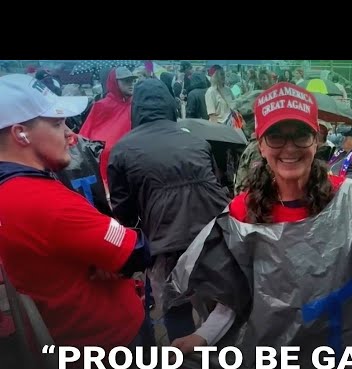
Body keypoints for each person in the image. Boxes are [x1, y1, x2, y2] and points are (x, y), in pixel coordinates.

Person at [167, 83, 352, 369]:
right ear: (260, 144)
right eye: (276, 137)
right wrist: (203, 337)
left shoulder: (350, 200)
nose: (289, 148)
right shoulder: (241, 213)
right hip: (274, 363)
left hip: (341, 354)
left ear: (317, 140)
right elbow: (234, 295)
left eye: (300, 135)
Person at [0, 74, 151, 350]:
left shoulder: (12, 192)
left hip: (65, 343)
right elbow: (137, 251)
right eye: (57, 124)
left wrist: (96, 256)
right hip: (110, 345)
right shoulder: (43, 201)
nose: (71, 134)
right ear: (20, 133)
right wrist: (108, 257)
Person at [108, 78, 230, 342]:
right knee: (220, 305)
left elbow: (124, 211)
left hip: (166, 245)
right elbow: (217, 184)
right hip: (213, 237)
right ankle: (222, 362)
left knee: (176, 308)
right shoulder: (198, 142)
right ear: (171, 106)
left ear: (136, 109)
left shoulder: (121, 150)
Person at [79, 67, 138, 189]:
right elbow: (84, 137)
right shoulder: (101, 106)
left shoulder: (136, 105)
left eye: (132, 81)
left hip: (131, 164)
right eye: (125, 81)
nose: (131, 84)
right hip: (105, 167)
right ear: (114, 83)